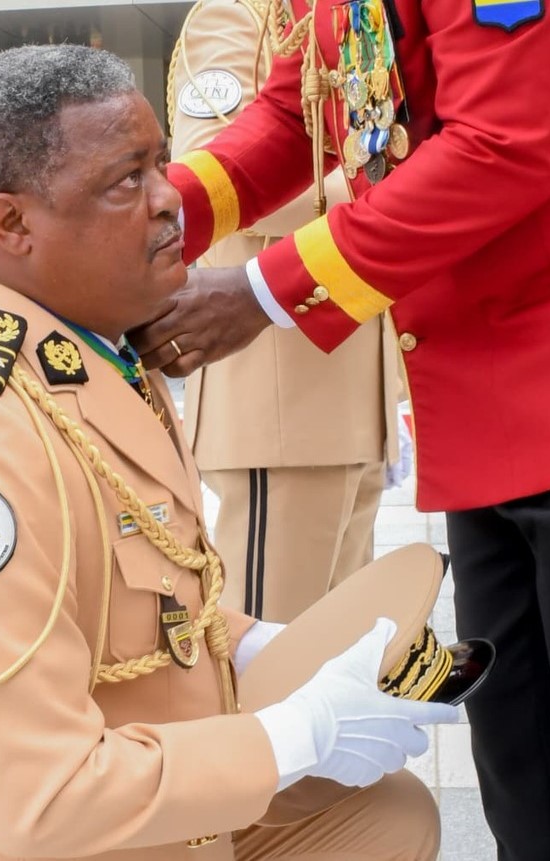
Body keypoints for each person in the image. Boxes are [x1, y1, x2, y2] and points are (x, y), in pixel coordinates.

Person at [132, 0, 550, 857]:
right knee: (523, 769)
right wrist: (144, 226)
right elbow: (299, 116)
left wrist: (262, 292)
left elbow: (504, 147)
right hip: (489, 400)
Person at [0, 45, 458, 861]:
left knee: (385, 814)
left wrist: (256, 644)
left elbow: (145, 598)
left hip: (126, 813)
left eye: (160, 164)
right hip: (29, 835)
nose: (171, 198)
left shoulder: (93, 351)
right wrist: (296, 734)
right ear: (13, 224)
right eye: (126, 181)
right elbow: (43, 795)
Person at [168, 0, 403, 622]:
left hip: (351, 396)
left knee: (341, 651)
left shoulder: (346, 15)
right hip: (276, 402)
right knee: (272, 650)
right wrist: (388, 190)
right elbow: (210, 168)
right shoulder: (237, 19)